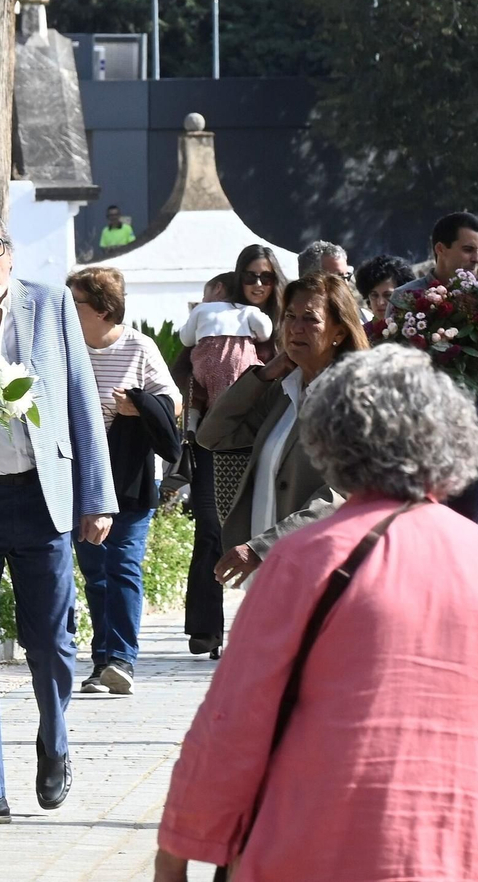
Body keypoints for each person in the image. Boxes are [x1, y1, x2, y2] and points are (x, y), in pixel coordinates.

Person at [154, 346, 478, 882]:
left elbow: (236, 717)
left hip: (313, 849)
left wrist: (177, 852)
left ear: (329, 440)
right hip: (470, 850)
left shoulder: (303, 558)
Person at [0, 211, 117, 827]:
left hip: (45, 494)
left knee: (51, 644)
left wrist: (97, 497)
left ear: (9, 253)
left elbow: (80, 398)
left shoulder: (50, 305)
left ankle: (55, 739)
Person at [199, 272, 371, 586]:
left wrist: (260, 548)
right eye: (290, 316)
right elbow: (213, 435)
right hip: (273, 575)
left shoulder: (352, 397)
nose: (295, 327)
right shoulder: (283, 391)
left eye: (311, 319)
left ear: (339, 333)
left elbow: (338, 496)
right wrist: (263, 376)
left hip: (320, 573)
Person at [68, 267, 182, 696]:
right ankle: (102, 661)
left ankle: (121, 659)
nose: (68, 308)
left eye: (75, 302)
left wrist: (137, 407)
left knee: (123, 566)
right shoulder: (67, 348)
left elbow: (172, 401)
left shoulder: (139, 346)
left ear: (102, 308)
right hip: (81, 474)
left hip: (130, 475)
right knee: (95, 570)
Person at [182, 247, 287, 657]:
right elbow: (190, 367)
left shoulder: (282, 325)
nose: (258, 285)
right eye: (250, 277)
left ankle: (266, 627)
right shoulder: (217, 320)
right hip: (217, 440)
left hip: (272, 440)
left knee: (268, 528)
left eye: (265, 277)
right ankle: (207, 628)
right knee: (211, 528)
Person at [393, 211, 478, 522]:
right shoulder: (406, 298)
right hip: (418, 432)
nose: (476, 259)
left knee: (465, 526)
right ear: (440, 249)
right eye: (468, 249)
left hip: (466, 431)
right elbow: (391, 367)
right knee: (420, 523)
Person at [352, 254, 416, 323]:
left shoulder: (417, 326)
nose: (380, 303)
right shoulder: (365, 332)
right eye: (374, 295)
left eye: (388, 295)